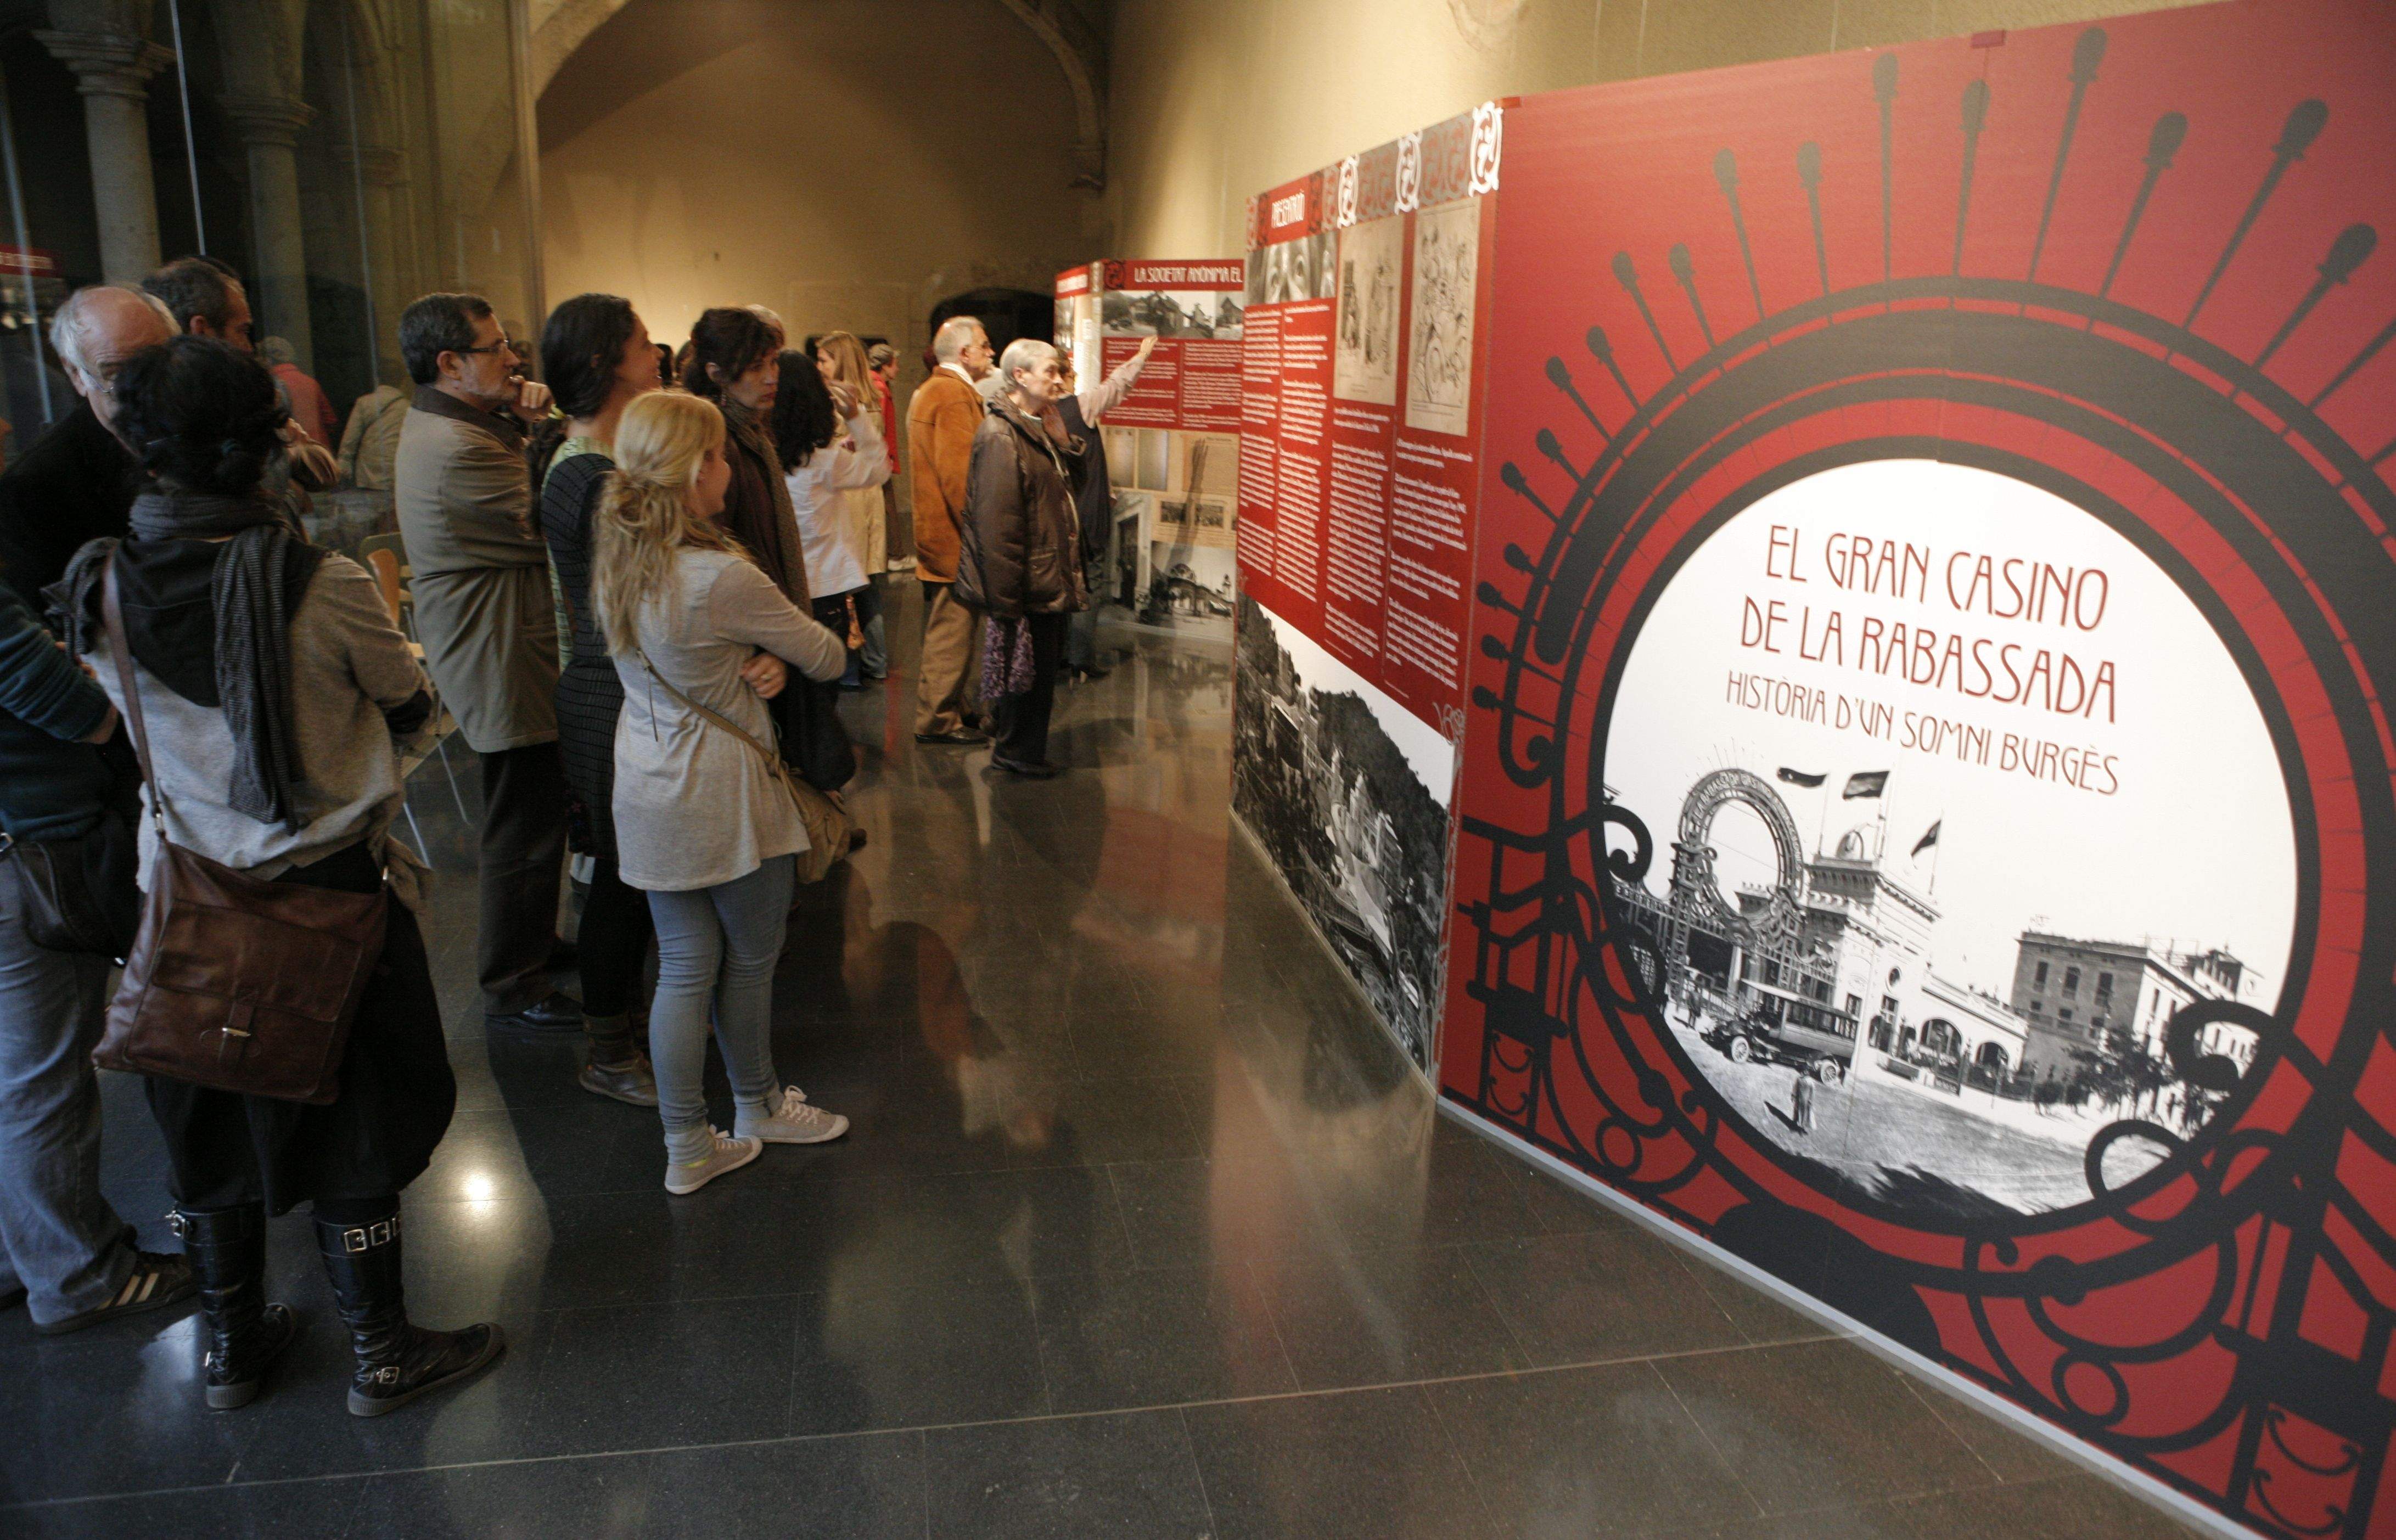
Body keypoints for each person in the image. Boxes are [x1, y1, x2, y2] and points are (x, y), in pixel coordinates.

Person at [55, 335, 500, 1415]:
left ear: (140, 441)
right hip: (331, 892)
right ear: (267, 438)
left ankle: (231, 1346)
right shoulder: (325, 580)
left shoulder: (99, 582)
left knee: (205, 1123)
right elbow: (408, 702)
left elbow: (119, 724)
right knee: (357, 1119)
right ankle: (382, 1348)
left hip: (186, 900)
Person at [591, 392, 851, 1194]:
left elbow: (685, 660)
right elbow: (829, 655)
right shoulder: (720, 575)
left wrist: (756, 663)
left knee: (680, 967)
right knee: (750, 960)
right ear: (693, 468)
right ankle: (758, 1104)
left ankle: (688, 1147)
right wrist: (777, 660)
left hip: (645, 777)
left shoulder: (617, 555)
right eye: (718, 455)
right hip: (725, 791)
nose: (729, 468)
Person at [0, 568, 195, 1335]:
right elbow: (44, 690)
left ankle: (24, 1254)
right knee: (43, 1076)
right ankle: (80, 1275)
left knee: (16, 1072)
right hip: (26, 848)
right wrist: (103, 710)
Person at [391, 293, 580, 1036]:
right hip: (503, 656)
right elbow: (555, 520)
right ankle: (512, 978)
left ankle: (531, 945)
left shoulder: (467, 424)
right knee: (523, 826)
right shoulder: (458, 448)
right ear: (450, 363)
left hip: (511, 645)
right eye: (496, 347)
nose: (514, 358)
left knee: (533, 816)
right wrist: (551, 431)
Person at [532, 294, 664, 1107]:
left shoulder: (599, 464)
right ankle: (610, 1050)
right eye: (643, 345)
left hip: (615, 685)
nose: (655, 356)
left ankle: (634, 1030)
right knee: (623, 877)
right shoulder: (586, 474)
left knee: (638, 874)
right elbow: (637, 593)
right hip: (607, 692)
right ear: (604, 363)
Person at [955, 338, 1086, 778]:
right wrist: (1006, 602)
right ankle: (1015, 752)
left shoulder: (1033, 425)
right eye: (1050, 371)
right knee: (1025, 676)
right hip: (1027, 579)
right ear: (1019, 376)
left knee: (1036, 674)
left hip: (1042, 573)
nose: (1058, 379)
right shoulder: (999, 435)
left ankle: (1021, 748)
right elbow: (997, 527)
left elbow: (1068, 489)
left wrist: (1062, 442)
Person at [0, 286, 175, 607]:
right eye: (116, 373)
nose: (140, 389)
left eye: (154, 364)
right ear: (76, 375)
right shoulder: (34, 487)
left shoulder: (209, 429)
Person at [141, 258, 336, 490]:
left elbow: (321, 474)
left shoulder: (140, 410)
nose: (249, 348)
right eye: (242, 331)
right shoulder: (251, 399)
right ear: (201, 331)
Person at [773, 351, 887, 688]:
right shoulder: (823, 460)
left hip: (777, 583)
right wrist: (856, 417)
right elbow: (878, 468)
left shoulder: (759, 453)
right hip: (823, 586)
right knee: (821, 690)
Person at [908, 316, 994, 745]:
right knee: (952, 631)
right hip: (954, 541)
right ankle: (938, 719)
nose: (990, 352)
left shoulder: (937, 390)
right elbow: (961, 479)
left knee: (952, 629)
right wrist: (981, 537)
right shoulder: (952, 395)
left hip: (943, 536)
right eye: (983, 345)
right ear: (963, 354)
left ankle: (952, 706)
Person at [1056, 336, 1157, 682]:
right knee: (1091, 584)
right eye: (1070, 371)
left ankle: (1060, 656)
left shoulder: (1034, 414)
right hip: (1086, 514)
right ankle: (1080, 660)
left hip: (1060, 514)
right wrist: (1142, 355)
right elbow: (1118, 385)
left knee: (1063, 585)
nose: (1074, 376)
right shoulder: (1077, 406)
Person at [812, 332, 889, 682]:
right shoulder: (869, 398)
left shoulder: (845, 403)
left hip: (852, 498)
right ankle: (875, 662)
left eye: (825, 360)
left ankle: (856, 668)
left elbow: (841, 451)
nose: (820, 367)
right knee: (868, 587)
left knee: (853, 588)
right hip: (863, 495)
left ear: (840, 361)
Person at [259, 336, 336, 449]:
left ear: (268, 360)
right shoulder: (311, 382)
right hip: (320, 451)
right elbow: (331, 421)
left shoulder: (271, 385)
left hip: (291, 453)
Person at [337, 383, 407, 491]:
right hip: (397, 466)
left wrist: (344, 461)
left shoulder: (364, 403)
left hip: (369, 470)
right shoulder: (407, 406)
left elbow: (351, 437)